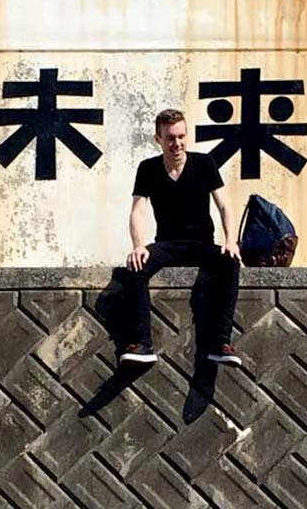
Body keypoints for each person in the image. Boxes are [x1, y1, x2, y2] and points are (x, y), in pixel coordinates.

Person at [100, 108, 244, 368]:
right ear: (159, 139)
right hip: (168, 244)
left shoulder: (204, 164)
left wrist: (231, 240)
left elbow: (224, 206)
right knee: (137, 266)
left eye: (181, 137)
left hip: (201, 244)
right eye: (170, 138)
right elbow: (138, 210)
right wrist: (138, 246)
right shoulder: (148, 169)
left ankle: (222, 343)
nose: (176, 143)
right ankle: (143, 344)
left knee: (230, 262)